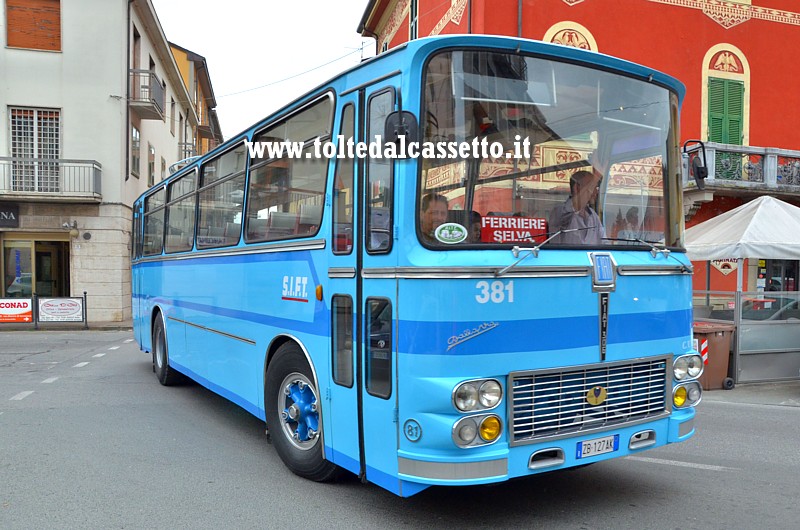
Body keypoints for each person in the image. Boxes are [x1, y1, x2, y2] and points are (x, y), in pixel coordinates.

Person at [548, 169, 606, 245]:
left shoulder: (593, 216)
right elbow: (576, 205)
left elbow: (604, 241)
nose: (595, 191)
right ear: (576, 188)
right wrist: (596, 177)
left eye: (596, 187)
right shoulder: (560, 211)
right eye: (591, 186)